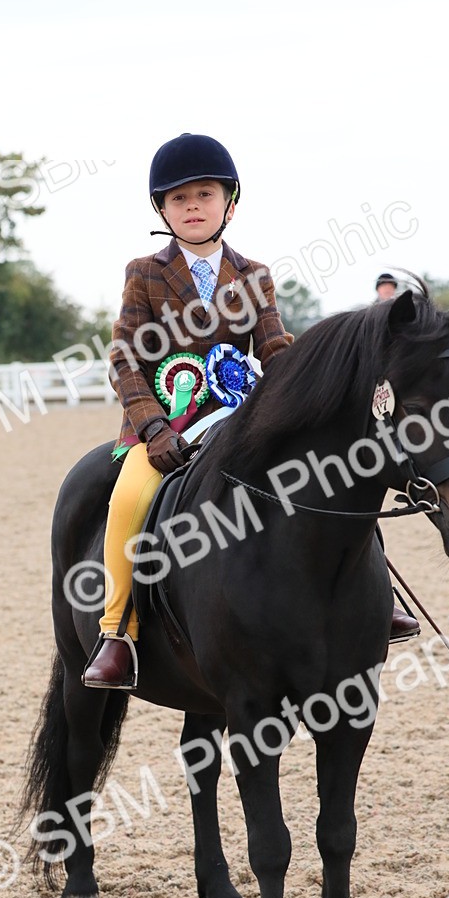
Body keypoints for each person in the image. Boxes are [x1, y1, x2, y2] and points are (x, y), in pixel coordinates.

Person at [83, 133, 293, 688]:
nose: (192, 206)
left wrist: (303, 384)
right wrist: (152, 426)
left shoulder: (254, 275)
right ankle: (117, 634)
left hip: (238, 415)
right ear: (162, 209)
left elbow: (273, 346)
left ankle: (378, 593)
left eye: (204, 194)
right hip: (164, 424)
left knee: (322, 471)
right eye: (178, 199)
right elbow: (125, 356)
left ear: (229, 201)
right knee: (129, 497)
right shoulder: (145, 272)